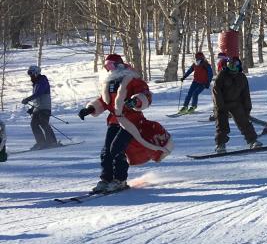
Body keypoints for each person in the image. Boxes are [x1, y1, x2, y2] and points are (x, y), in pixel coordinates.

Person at [77, 54, 172, 193]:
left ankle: (120, 180)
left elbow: (145, 94)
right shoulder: (109, 83)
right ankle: (106, 179)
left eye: (112, 65)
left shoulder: (131, 79)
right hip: (114, 121)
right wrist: (90, 109)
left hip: (131, 121)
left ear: (120, 65)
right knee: (106, 151)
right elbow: (104, 101)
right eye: (107, 66)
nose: (109, 69)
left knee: (117, 149)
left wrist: (137, 100)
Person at [212, 54, 263, 153]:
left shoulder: (242, 77)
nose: (233, 67)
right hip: (222, 104)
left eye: (235, 65)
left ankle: (252, 141)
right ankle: (221, 145)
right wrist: (220, 106)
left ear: (239, 66)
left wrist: (247, 108)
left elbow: (245, 94)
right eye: (230, 65)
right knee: (221, 125)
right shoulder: (222, 75)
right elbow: (216, 91)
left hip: (236, 103)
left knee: (244, 123)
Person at [21, 65, 58, 148]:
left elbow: (38, 93)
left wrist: (27, 99)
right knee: (33, 124)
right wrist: (32, 108)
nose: (31, 77)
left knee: (43, 123)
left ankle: (52, 142)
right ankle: (41, 143)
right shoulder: (36, 83)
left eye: (31, 74)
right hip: (38, 108)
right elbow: (37, 98)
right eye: (30, 75)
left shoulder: (42, 81)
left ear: (36, 73)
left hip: (44, 108)